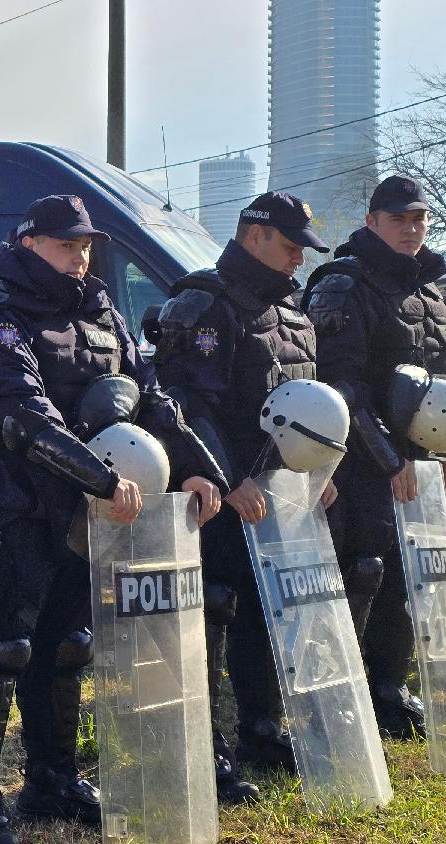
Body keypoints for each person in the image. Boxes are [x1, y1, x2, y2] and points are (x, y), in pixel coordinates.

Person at [0, 195, 226, 844]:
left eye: (86, 244)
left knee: (66, 648)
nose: (81, 255)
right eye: (67, 244)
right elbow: (22, 416)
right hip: (7, 502)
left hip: (82, 510)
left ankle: (53, 782)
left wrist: (199, 467)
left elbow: (150, 395)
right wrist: (105, 480)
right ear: (30, 241)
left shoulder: (98, 310)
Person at [149, 191, 336, 798]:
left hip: (284, 496)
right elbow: (186, 404)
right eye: (288, 247)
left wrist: (320, 472)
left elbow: (311, 407)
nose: (296, 261)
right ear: (253, 235)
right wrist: (230, 481)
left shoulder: (294, 310)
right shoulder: (205, 302)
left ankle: (261, 727)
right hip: (221, 494)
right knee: (214, 612)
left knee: (264, 612)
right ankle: (206, 749)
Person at [302, 174, 446, 740]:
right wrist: (388, 459)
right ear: (371, 222)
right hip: (362, 463)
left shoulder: (430, 292)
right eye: (398, 220)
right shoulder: (344, 284)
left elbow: (444, 386)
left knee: (408, 581)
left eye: (418, 220)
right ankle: (342, 696)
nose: (411, 229)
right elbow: (341, 386)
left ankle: (390, 688)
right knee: (362, 573)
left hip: (421, 463)